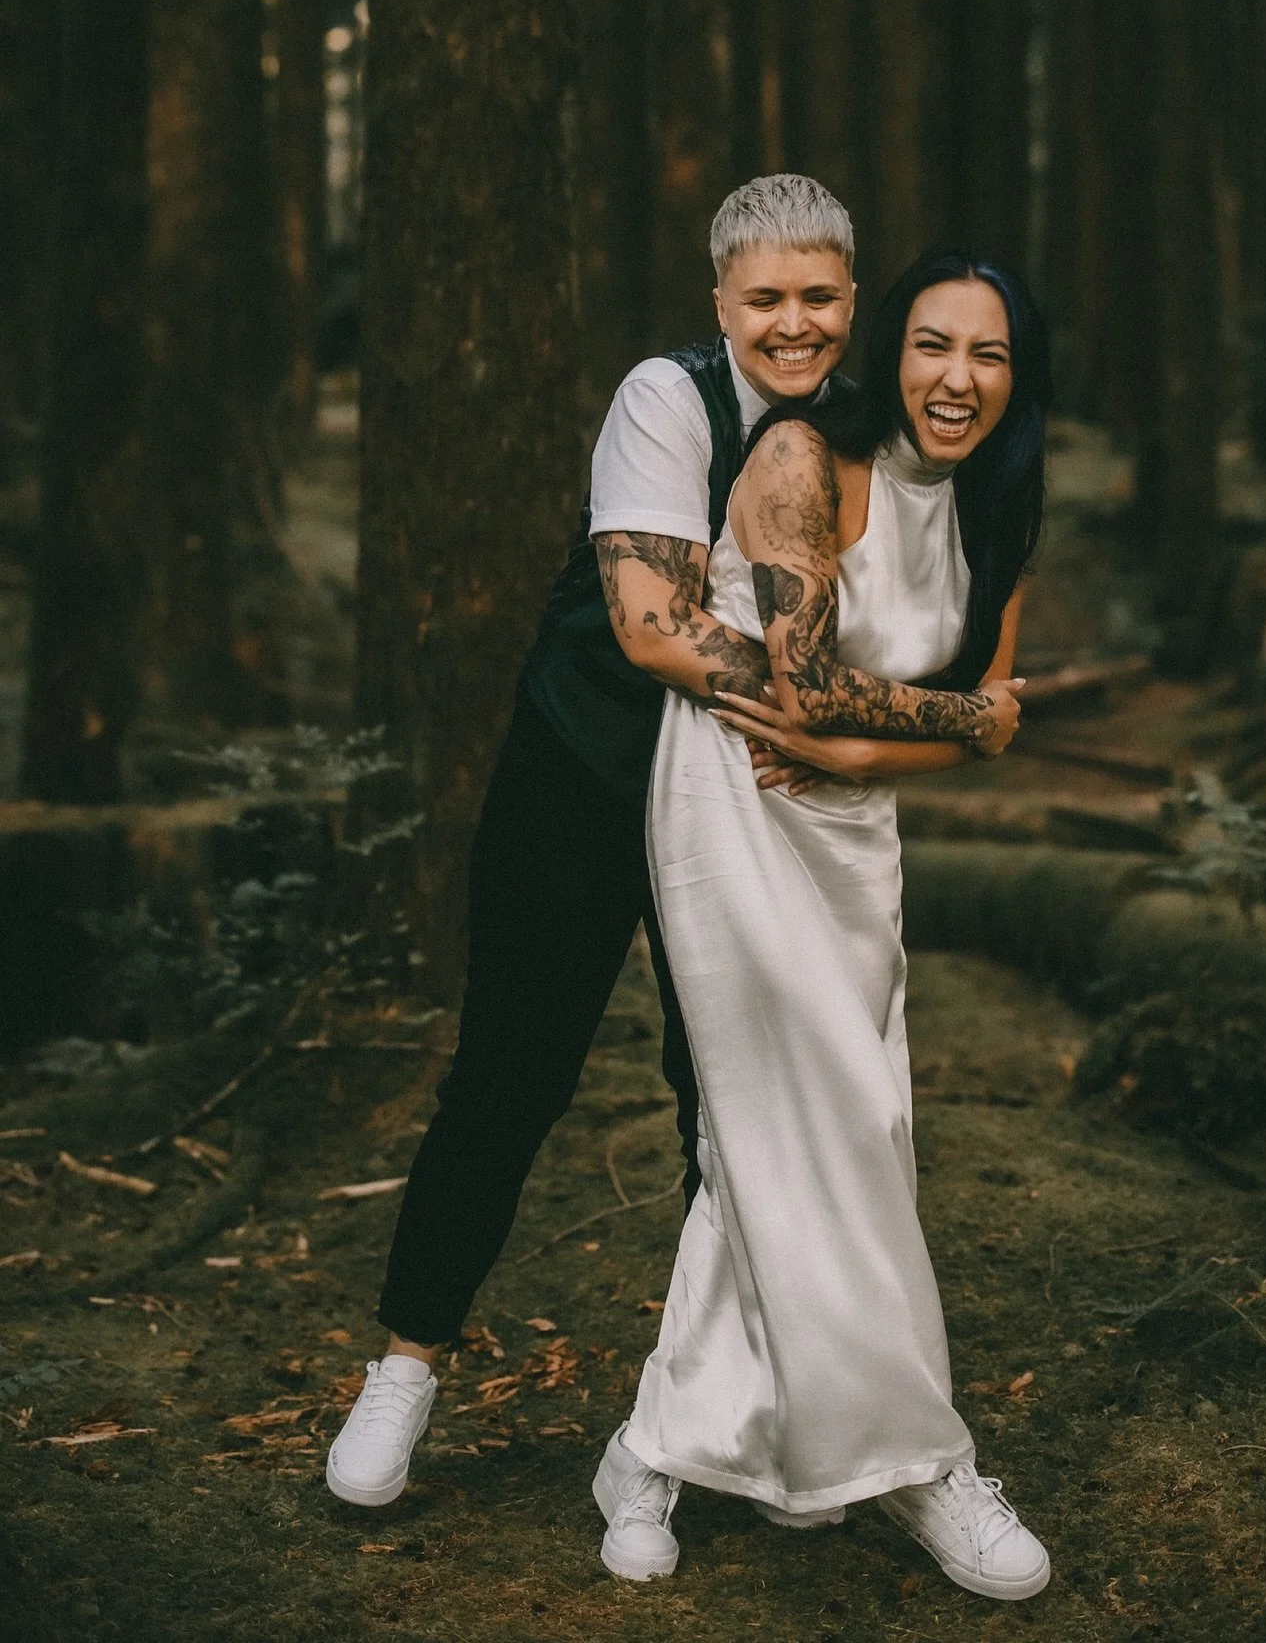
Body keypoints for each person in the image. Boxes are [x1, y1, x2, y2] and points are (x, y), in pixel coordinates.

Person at [326, 181, 1018, 1508]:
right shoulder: (668, 398)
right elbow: (650, 628)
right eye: (767, 298)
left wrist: (863, 714)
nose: (795, 325)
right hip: (580, 777)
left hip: (744, 811)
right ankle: (406, 1364)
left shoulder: (871, 429)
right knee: (514, 1072)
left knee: (738, 1103)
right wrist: (904, 714)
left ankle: (717, 1418)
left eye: (821, 297)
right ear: (720, 300)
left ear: (854, 301)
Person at [590, 246, 1050, 1602]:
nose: (955, 378)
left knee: (838, 1124)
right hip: (732, 796)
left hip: (853, 823)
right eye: (930, 345)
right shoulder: (800, 456)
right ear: (888, 355)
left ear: (1019, 381)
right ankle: (925, 1462)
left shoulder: (1001, 509)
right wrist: (965, 722)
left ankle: (657, 1446)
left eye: (988, 354)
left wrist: (878, 761)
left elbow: (921, 730)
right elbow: (804, 687)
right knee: (820, 1116)